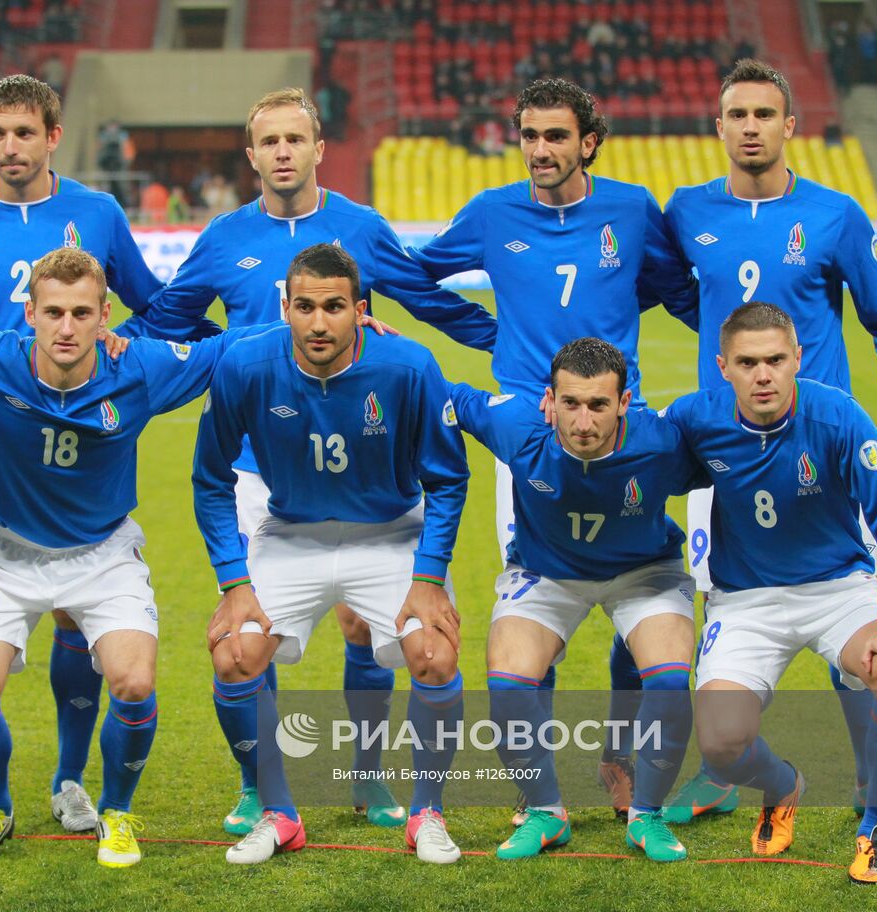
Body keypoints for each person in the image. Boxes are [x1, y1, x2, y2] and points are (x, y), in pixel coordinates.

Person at [118, 87, 498, 836]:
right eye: (271, 141)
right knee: (247, 634)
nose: (285, 152)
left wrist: (513, 346)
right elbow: (168, 320)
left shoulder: (359, 227)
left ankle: (366, 778)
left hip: (358, 456)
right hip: (261, 467)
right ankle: (263, 789)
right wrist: (107, 347)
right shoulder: (224, 238)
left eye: (298, 138)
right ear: (252, 154)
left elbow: (427, 299)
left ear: (319, 148)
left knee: (365, 627)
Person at [0, 247, 289, 869]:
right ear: (30, 314)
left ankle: (116, 811)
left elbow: (226, 348)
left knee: (134, 680)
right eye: (52, 313)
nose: (66, 328)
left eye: (80, 313)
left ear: (105, 316)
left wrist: (313, 324)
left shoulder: (140, 367)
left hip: (103, 553)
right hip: (6, 554)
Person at [408, 78, 698, 818]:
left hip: (611, 416)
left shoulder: (632, 209)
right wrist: (487, 333)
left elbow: (671, 285)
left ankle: (617, 756)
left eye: (557, 136)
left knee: (632, 575)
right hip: (527, 433)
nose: (540, 150)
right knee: (540, 594)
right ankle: (542, 799)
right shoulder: (491, 212)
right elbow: (419, 277)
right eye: (530, 135)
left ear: (588, 141)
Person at [652, 59, 877, 831]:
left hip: (821, 445)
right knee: (722, 587)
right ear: (719, 127)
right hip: (725, 444)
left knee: (845, 594)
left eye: (764, 115)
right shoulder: (688, 210)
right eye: (736, 115)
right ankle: (719, 770)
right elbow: (679, 290)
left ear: (789, 125)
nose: (749, 128)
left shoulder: (835, 214)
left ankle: (876, 779)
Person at [0, 74, 163, 836]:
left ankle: (70, 778)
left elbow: (151, 308)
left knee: (77, 610)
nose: (10, 147)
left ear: (53, 136)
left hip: (72, 428)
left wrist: (123, 352)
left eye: (25, 132)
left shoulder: (98, 212)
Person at [194, 244, 470, 866]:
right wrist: (233, 580)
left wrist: (429, 578)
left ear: (360, 311)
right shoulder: (245, 366)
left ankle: (428, 812)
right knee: (235, 655)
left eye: (336, 307)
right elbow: (210, 479)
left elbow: (448, 479)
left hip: (391, 530)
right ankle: (278, 813)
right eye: (307, 307)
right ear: (284, 309)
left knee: (433, 652)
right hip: (293, 532)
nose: (320, 323)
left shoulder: (408, 366)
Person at [664, 303, 877, 884]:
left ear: (797, 359)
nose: (764, 375)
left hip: (839, 590)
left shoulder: (838, 417)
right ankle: (783, 786)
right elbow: (633, 460)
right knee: (723, 742)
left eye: (776, 360)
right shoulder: (693, 419)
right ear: (723, 366)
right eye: (748, 362)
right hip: (746, 600)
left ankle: (875, 830)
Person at [452, 338, 703, 862]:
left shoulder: (661, 443)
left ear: (624, 403)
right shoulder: (516, 428)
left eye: (598, 405)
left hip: (642, 571)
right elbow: (440, 393)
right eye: (570, 404)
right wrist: (373, 347)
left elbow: (733, 454)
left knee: (671, 679)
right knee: (508, 681)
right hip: (548, 574)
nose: (582, 421)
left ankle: (646, 815)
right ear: (549, 400)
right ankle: (547, 812)